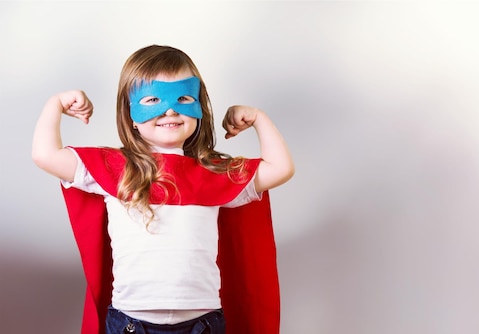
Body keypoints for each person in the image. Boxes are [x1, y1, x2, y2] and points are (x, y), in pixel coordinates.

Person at [32, 45, 295, 334]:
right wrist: (55, 104)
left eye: (183, 98)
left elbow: (280, 168)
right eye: (153, 99)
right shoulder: (113, 168)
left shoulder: (214, 173)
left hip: (202, 323)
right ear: (131, 114)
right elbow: (46, 155)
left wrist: (258, 119)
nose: (170, 109)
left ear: (199, 107)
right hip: (131, 323)